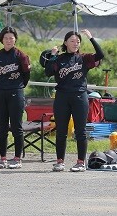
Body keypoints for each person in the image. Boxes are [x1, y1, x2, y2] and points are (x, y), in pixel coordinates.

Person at [44, 29, 104, 172]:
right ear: (65, 42)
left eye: (78, 41)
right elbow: (47, 71)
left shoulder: (83, 58)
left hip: (79, 96)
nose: (75, 43)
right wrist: (52, 56)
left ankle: (80, 162)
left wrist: (91, 38)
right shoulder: (59, 59)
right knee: (61, 131)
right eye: (72, 40)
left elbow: (100, 55)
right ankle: (60, 161)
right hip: (62, 97)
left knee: (80, 131)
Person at [0, 26, 31, 169]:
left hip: (16, 92)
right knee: (1, 127)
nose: (8, 40)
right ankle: (3, 158)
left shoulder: (21, 56)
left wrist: (17, 85)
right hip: (0, 92)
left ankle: (17, 158)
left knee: (16, 126)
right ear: (1, 40)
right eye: (6, 38)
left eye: (11, 38)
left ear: (15, 40)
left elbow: (26, 75)